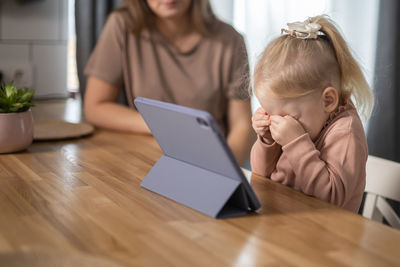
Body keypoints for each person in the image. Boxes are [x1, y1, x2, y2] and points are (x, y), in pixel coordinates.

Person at [83, 0, 254, 165]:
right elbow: (95, 107)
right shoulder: (123, 26)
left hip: (206, 160)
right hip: (144, 160)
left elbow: (242, 125)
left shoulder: (230, 40)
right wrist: (164, 126)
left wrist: (224, 170)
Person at [250, 15, 374, 212]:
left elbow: (331, 199)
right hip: (284, 225)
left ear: (328, 100)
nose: (279, 124)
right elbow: (259, 174)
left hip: (326, 236)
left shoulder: (346, 132)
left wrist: (296, 142)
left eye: (289, 117)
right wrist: (266, 140)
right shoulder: (307, 118)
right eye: (269, 113)